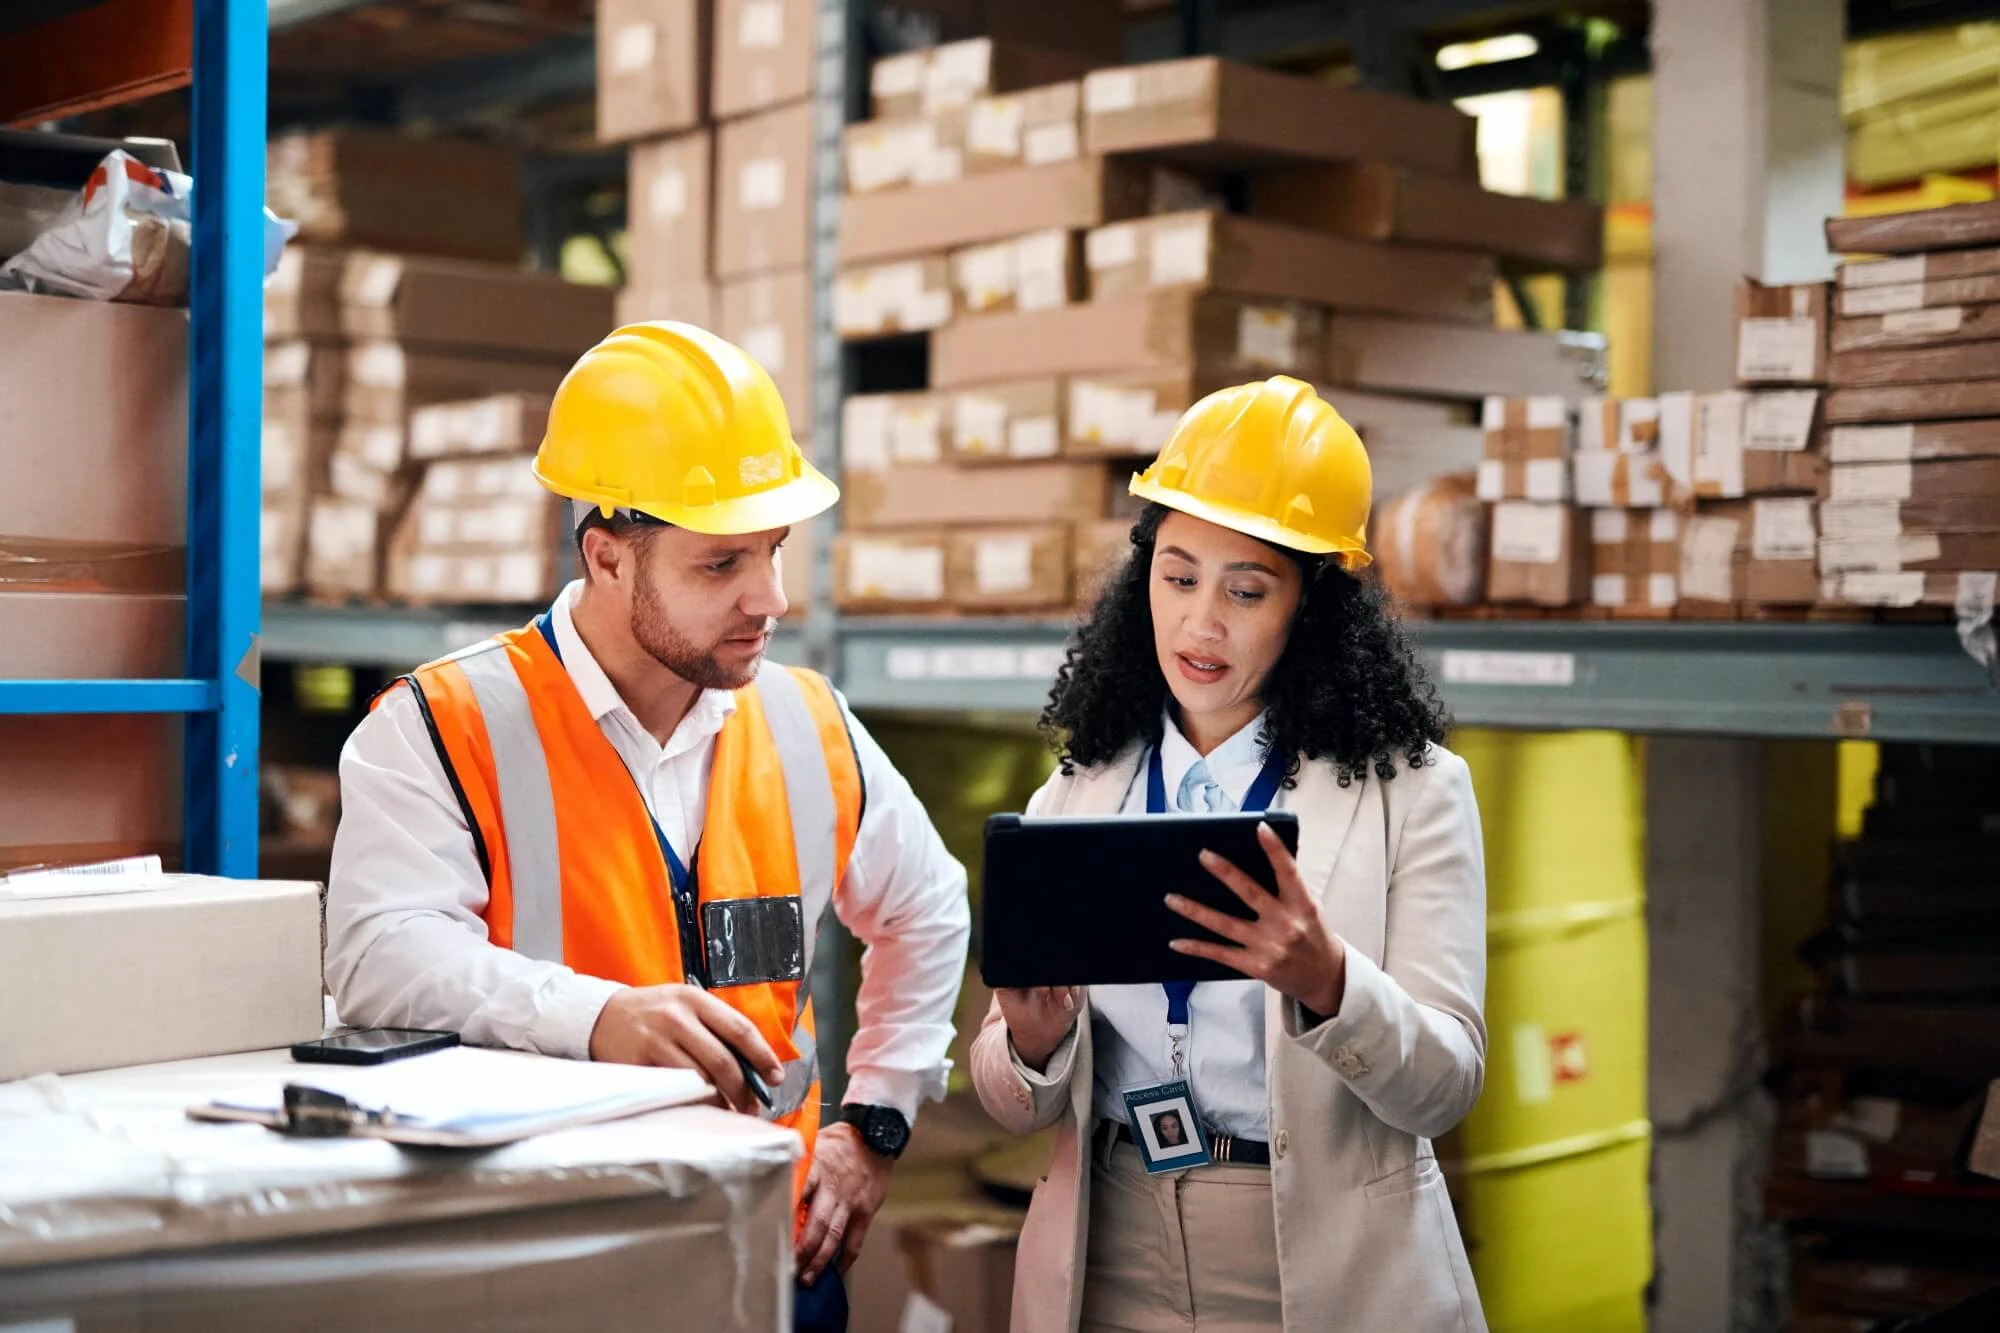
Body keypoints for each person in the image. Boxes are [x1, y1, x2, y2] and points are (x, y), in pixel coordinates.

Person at [325, 323, 971, 1333]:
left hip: (772, 1253)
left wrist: (874, 1123)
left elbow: (929, 908)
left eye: (771, 550)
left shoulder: (809, 723)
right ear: (607, 556)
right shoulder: (439, 725)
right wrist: (594, 1017)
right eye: (721, 564)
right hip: (549, 1264)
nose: (771, 598)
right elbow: (380, 954)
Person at [969, 376, 1488, 1333]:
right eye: (1177, 576)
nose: (1200, 622)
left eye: (1245, 589)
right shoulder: (1082, 788)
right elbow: (1008, 1098)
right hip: (1112, 1251)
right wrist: (1032, 1045)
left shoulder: (1413, 794)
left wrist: (1330, 981)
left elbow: (1447, 1085)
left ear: (1311, 607)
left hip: (1316, 1267)